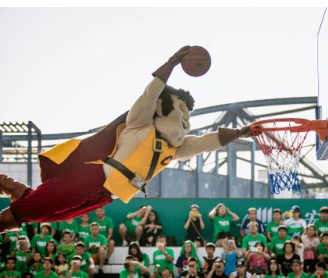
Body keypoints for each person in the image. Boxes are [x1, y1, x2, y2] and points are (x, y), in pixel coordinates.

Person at [0, 46, 252, 234]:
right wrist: (172, 64)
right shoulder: (141, 123)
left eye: (188, 116)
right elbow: (149, 94)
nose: (185, 120)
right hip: (94, 179)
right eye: (180, 111)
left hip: (106, 196)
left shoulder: (173, 149)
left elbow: (205, 142)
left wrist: (240, 133)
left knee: (46, 213)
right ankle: (7, 190)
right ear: (162, 108)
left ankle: (16, 189)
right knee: (28, 210)